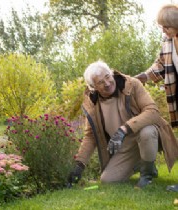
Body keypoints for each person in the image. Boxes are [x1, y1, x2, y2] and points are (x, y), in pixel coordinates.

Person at [68, 60, 178, 189]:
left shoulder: (132, 84)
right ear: (93, 87)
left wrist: (123, 130)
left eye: (107, 77)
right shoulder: (93, 103)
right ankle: (143, 162)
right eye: (100, 82)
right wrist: (79, 165)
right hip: (125, 146)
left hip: (144, 135)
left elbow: (153, 112)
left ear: (111, 73)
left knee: (146, 132)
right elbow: (90, 136)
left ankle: (147, 174)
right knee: (107, 180)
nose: (107, 83)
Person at [134, 4, 178, 191]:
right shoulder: (168, 41)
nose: (163, 30)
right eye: (161, 26)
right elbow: (161, 64)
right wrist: (143, 77)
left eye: (167, 26)